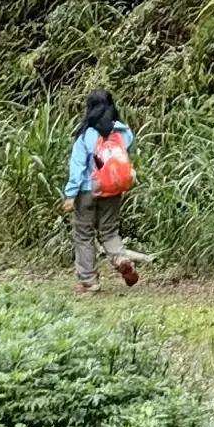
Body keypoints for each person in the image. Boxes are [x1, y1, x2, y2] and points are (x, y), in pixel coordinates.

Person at [63, 88, 143, 291]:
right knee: (108, 231)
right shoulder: (123, 132)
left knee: (84, 234)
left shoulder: (86, 135)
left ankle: (89, 281)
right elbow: (128, 156)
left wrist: (70, 195)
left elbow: (78, 167)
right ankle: (121, 259)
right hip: (113, 188)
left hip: (87, 191)